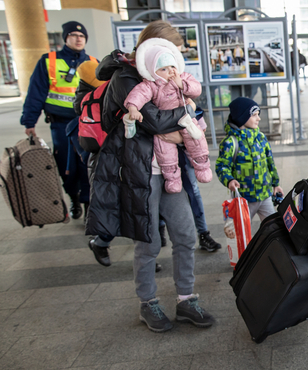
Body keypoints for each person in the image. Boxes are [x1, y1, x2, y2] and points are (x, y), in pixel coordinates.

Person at [86, 20, 215, 333]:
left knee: (185, 233)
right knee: (149, 241)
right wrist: (188, 125)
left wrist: (188, 123)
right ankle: (148, 302)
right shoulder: (126, 77)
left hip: (170, 172)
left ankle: (186, 299)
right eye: (169, 49)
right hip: (139, 173)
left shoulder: (168, 76)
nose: (173, 58)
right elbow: (155, 122)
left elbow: (186, 108)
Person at [20, 21, 96, 220]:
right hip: (61, 124)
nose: (78, 39)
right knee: (66, 166)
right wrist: (29, 122)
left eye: (82, 36)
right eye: (73, 35)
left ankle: (89, 204)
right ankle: (73, 197)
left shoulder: (93, 62)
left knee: (87, 164)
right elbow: (35, 93)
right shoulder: (48, 61)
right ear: (65, 38)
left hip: (86, 123)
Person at [123, 38, 212, 194]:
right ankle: (172, 179)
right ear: (152, 71)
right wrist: (132, 108)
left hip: (187, 121)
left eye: (172, 66)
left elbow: (196, 89)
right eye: (164, 69)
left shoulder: (182, 78)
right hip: (167, 126)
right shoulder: (151, 85)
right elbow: (138, 95)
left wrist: (181, 84)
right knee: (165, 153)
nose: (171, 71)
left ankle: (203, 167)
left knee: (197, 142)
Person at [216, 97, 283, 222]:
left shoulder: (261, 137)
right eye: (254, 115)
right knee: (242, 233)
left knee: (273, 228)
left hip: (265, 195)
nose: (259, 118)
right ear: (242, 117)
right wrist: (229, 180)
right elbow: (222, 166)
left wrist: (276, 184)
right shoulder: (230, 142)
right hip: (244, 199)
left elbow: (270, 163)